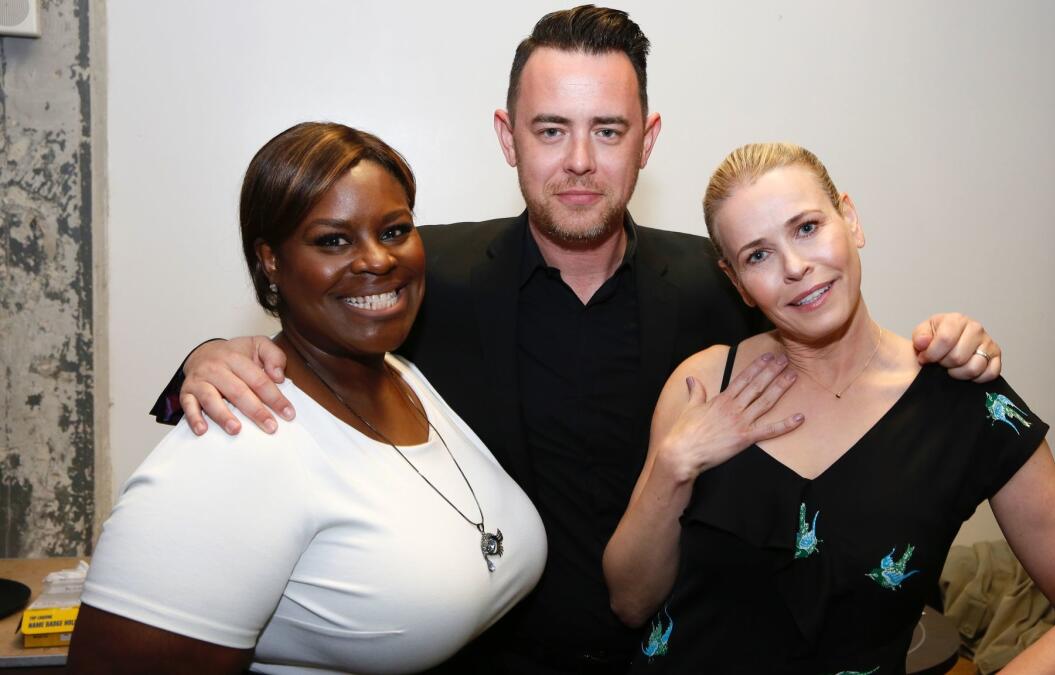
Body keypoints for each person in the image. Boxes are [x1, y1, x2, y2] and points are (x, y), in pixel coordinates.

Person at [156, 7, 1004, 673]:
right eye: (550, 129)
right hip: (487, 666)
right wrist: (210, 356)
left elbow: (833, 332)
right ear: (507, 136)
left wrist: (950, 344)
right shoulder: (424, 276)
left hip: (681, 659)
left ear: (648, 140)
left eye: (608, 130)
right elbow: (313, 337)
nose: (579, 162)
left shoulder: (723, 285)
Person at [603, 143, 1055, 674]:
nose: (795, 267)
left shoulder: (962, 400)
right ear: (737, 282)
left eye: (807, 227)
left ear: (850, 220)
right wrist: (674, 465)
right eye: (757, 255)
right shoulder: (701, 385)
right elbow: (630, 602)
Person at [68, 123, 547, 674]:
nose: (375, 260)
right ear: (271, 260)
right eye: (332, 241)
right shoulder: (239, 441)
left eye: (394, 231)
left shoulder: (403, 374)